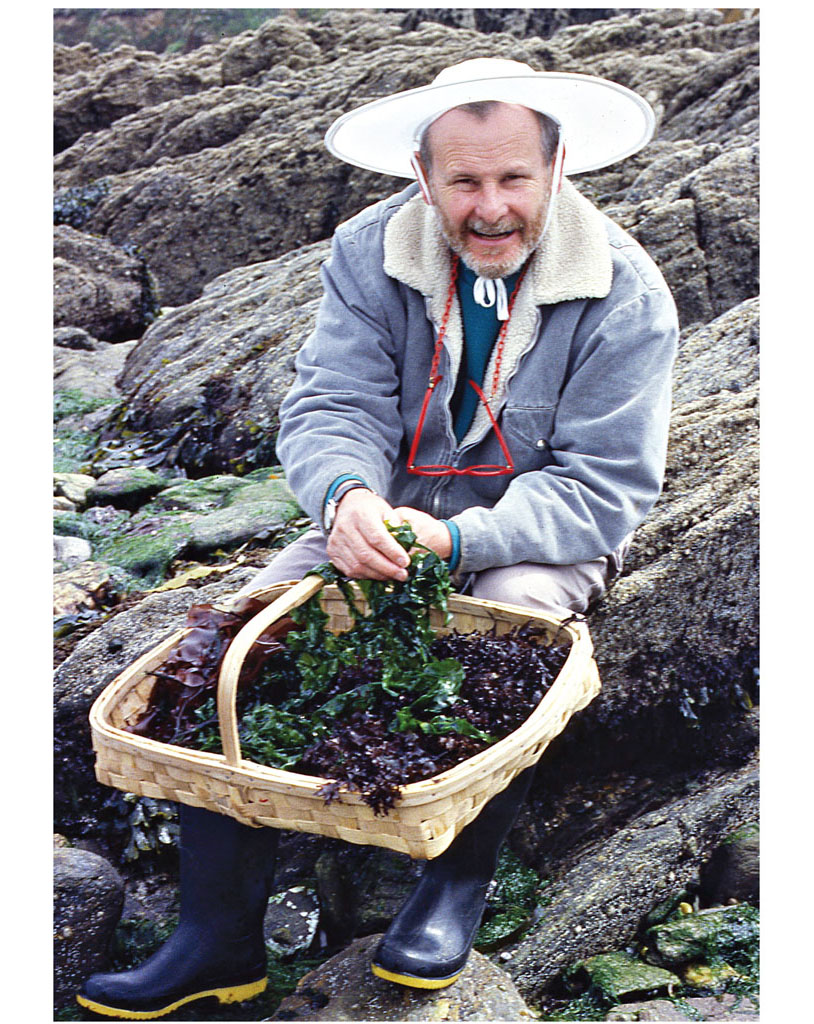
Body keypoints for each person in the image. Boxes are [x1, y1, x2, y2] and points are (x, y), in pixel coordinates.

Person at [78, 58, 678, 1017]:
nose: (490, 207)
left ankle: (453, 884)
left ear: (557, 170)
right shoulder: (369, 251)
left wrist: (453, 543)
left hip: (538, 529)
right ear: (422, 173)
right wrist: (347, 496)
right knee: (235, 638)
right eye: (464, 182)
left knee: (510, 624)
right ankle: (217, 940)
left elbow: (603, 491)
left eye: (513, 179)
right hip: (378, 511)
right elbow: (330, 405)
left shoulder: (628, 293)